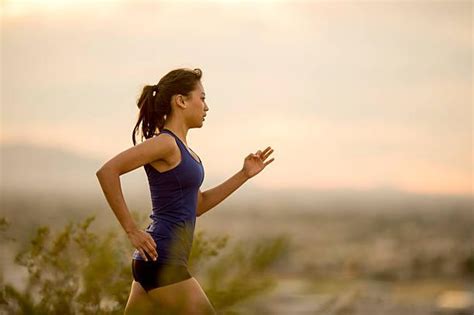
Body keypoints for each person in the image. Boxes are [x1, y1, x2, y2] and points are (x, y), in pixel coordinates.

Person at [96, 67, 275, 314]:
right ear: (180, 101)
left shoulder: (183, 149)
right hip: (163, 260)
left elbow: (198, 205)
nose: (206, 106)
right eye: (201, 98)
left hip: (152, 262)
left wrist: (244, 174)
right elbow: (108, 171)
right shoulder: (165, 143)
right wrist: (131, 230)